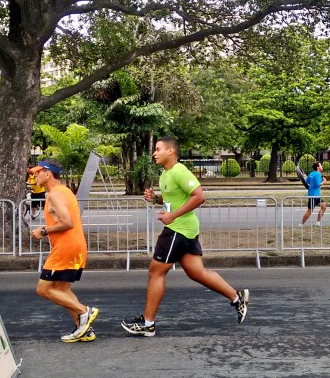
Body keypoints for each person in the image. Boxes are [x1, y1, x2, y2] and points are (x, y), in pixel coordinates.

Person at [121, 136, 249, 338]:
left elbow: (199, 196)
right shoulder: (165, 174)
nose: (154, 153)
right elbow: (172, 198)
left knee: (156, 272)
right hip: (184, 229)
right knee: (196, 272)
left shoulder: (180, 171)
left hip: (178, 230)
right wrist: (155, 199)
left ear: (170, 151)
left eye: (158, 149)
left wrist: (172, 216)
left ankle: (148, 323)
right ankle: (236, 297)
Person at [29, 159, 98, 343]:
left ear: (48, 174)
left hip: (65, 248)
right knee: (61, 288)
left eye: (38, 172)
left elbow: (67, 223)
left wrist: (43, 231)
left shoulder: (55, 195)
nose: (35, 175)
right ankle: (83, 328)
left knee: (43, 289)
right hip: (75, 246)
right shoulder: (63, 191)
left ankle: (84, 312)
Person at [300, 162, 327, 227]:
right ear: (318, 167)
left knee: (324, 206)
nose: (322, 166)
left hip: (315, 195)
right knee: (309, 212)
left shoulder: (312, 173)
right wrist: (324, 181)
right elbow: (318, 184)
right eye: (320, 165)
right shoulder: (317, 174)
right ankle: (301, 224)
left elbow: (307, 181)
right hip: (314, 196)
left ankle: (317, 222)